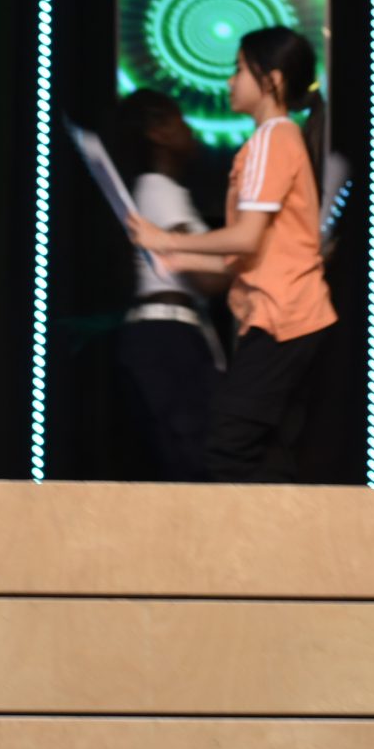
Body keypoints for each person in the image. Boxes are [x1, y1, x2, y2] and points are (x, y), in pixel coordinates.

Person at [128, 27, 334, 483]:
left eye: (238, 69)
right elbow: (250, 253)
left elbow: (244, 238)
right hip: (289, 317)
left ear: (272, 81)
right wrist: (183, 260)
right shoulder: (277, 139)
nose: (230, 81)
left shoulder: (271, 139)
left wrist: (167, 240)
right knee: (267, 452)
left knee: (228, 444)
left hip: (285, 317)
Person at [109, 89, 225, 482]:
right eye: (179, 120)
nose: (189, 129)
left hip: (163, 339)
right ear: (157, 133)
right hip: (168, 341)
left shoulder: (160, 192)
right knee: (190, 466)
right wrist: (265, 256)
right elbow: (206, 277)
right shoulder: (160, 191)